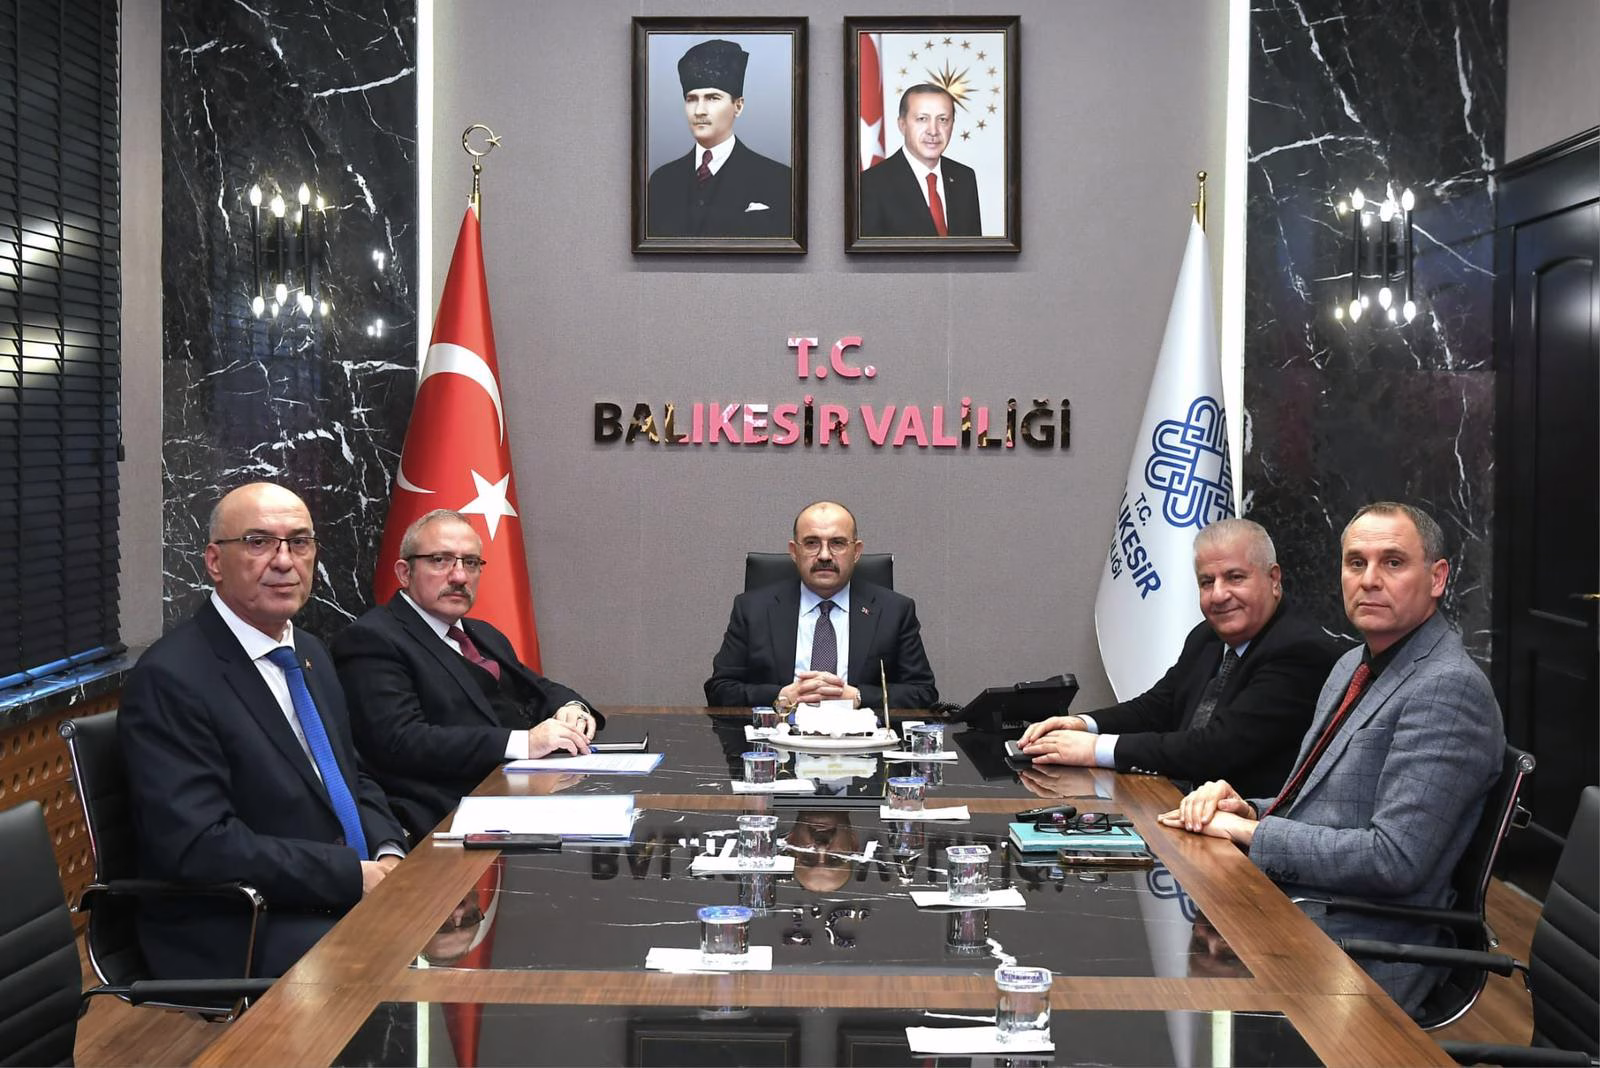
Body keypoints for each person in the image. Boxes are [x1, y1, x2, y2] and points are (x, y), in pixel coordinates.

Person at [1159, 502, 1505, 1015]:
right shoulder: (1352, 665)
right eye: (1355, 563)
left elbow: (1394, 861)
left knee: (1169, 991)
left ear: (1437, 578)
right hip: (1299, 911)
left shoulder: (1447, 689)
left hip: (1362, 952)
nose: (1369, 580)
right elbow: (1321, 805)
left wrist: (1252, 833)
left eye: (1392, 562)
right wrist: (1248, 808)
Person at [119, 483, 406, 979]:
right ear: (214, 562)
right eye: (258, 542)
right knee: (393, 960)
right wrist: (352, 877)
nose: (284, 561)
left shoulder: (310, 651)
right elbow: (201, 845)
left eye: (299, 542)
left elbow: (351, 776)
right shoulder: (171, 678)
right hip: (238, 916)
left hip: (331, 888)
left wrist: (389, 852)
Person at [1018, 518, 1344, 797]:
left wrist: (1095, 749)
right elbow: (1157, 707)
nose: (1219, 595)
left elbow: (1216, 748)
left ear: (1273, 579)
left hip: (1245, 833)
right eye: (1207, 582)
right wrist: (1083, 725)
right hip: (1176, 808)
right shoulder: (1207, 636)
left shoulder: (1300, 650)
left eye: (1235, 577)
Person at [333, 509, 601, 841]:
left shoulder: (483, 633)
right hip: (451, 820)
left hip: (525, 793)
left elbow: (536, 688)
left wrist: (572, 708)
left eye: (471, 563)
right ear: (404, 572)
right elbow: (400, 742)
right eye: (440, 560)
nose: (459, 576)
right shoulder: (372, 639)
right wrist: (525, 742)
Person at [705, 501, 938, 710]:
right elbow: (720, 690)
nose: (824, 555)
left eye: (837, 543)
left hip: (860, 739)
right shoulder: (752, 609)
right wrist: (781, 696)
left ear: (856, 552)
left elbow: (923, 693)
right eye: (811, 543)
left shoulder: (894, 611)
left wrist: (858, 697)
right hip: (780, 736)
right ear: (794, 551)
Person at [646, 38, 792, 239]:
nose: (699, 110)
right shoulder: (662, 181)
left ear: (738, 106)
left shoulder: (779, 180)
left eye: (713, 98)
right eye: (691, 99)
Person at [858, 84, 982, 237]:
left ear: (952, 125)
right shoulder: (870, 185)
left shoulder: (965, 177)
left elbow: (974, 249)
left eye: (943, 120)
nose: (933, 131)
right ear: (902, 125)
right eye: (922, 119)